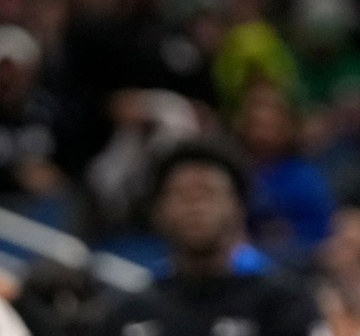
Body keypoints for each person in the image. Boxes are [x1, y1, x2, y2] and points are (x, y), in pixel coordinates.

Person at [97, 140, 322, 336]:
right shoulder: (127, 314)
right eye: (182, 194)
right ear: (158, 211)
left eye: (209, 192)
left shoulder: (283, 305)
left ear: (238, 207)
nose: (196, 206)